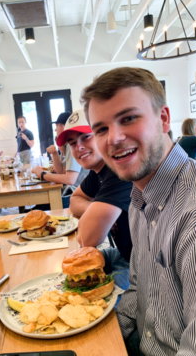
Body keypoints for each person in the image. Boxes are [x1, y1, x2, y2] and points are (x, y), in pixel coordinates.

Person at [82, 66, 196, 355]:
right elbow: (139, 292)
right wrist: (95, 336)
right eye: (101, 129)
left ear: (163, 119)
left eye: (128, 118)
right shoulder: (139, 195)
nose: (113, 138)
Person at [56, 109, 133, 291]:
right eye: (72, 143)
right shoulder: (97, 172)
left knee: (95, 306)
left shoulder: (117, 171)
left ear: (102, 135)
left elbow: (86, 238)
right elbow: (74, 199)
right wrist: (94, 210)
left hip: (141, 265)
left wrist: (95, 217)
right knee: (67, 274)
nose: (79, 147)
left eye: (85, 137)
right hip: (122, 252)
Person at [32, 111, 89, 209]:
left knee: (36, 209)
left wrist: (42, 174)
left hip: (75, 194)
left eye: (56, 126)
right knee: (36, 207)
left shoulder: (73, 146)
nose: (55, 130)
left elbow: (70, 180)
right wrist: (54, 154)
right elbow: (61, 172)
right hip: (74, 192)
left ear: (63, 127)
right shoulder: (67, 145)